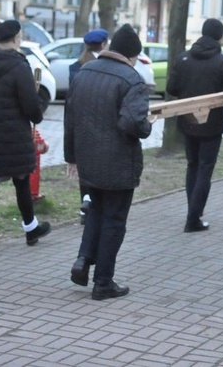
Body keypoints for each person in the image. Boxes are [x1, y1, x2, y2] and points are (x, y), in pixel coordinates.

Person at [65, 24, 152, 300]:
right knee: (114, 221)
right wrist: (147, 125)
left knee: (95, 211)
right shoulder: (132, 80)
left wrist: (71, 158)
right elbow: (132, 123)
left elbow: (70, 117)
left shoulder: (84, 72)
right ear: (131, 56)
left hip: (88, 160)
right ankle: (103, 282)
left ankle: (83, 259)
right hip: (118, 164)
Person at [0, 19, 50, 256]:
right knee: (21, 180)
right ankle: (30, 229)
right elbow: (30, 105)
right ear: (15, 39)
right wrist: (37, 112)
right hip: (14, 135)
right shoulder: (18, 65)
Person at [166, 18, 223, 232]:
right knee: (205, 169)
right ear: (219, 37)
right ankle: (193, 217)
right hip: (212, 124)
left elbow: (172, 87)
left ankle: (192, 211)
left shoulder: (183, 58)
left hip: (187, 121)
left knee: (192, 166)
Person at [68, 28, 110, 224]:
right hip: (100, 122)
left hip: (80, 122)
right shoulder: (104, 66)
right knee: (100, 165)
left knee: (84, 165)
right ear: (103, 45)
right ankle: (93, 202)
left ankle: (85, 202)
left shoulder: (76, 66)